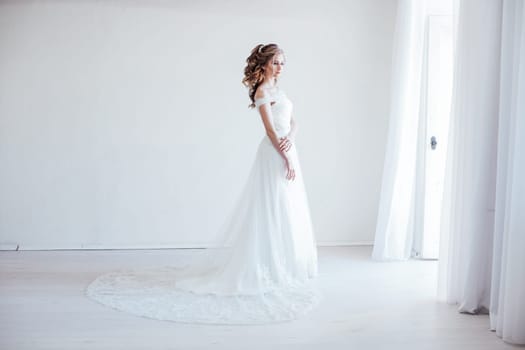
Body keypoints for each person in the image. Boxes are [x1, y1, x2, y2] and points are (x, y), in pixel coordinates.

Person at [86, 43, 319, 324]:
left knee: (288, 208)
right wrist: (285, 156)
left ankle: (286, 264)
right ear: (264, 64)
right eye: (276, 62)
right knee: (271, 207)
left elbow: (294, 122)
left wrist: (291, 141)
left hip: (287, 149)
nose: (280, 67)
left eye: (283, 62)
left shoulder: (281, 92)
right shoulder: (263, 92)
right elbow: (270, 130)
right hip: (274, 154)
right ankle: (266, 265)